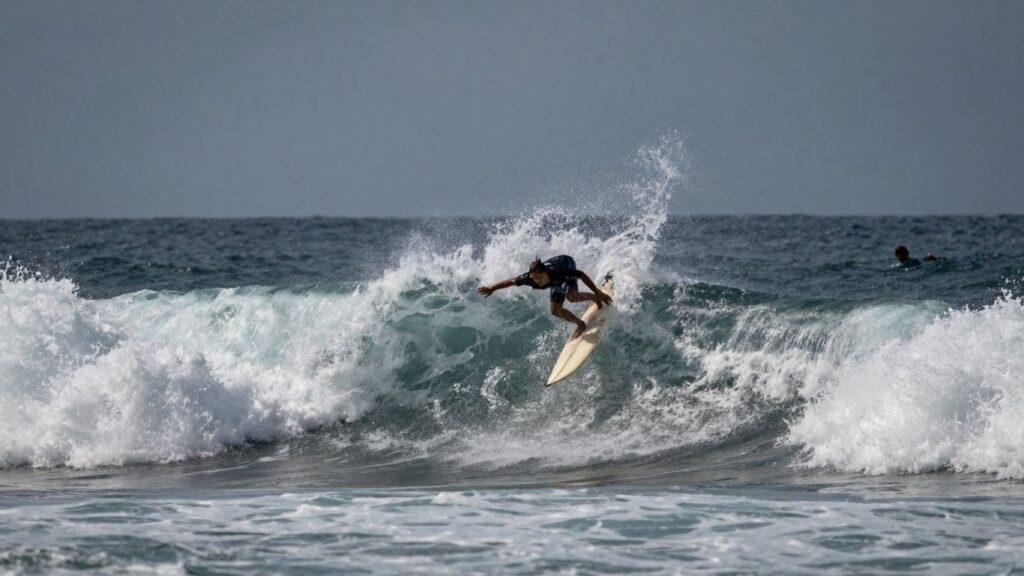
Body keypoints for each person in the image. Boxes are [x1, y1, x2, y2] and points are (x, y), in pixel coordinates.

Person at [477, 255, 612, 339]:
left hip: (565, 262)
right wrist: (492, 288)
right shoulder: (529, 278)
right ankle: (580, 324)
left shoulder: (558, 272)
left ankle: (595, 297)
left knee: (572, 297)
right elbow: (511, 281)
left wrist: (597, 291)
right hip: (555, 282)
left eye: (540, 277)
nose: (538, 281)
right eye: (535, 278)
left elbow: (581, 275)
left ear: (545, 272)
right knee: (554, 310)